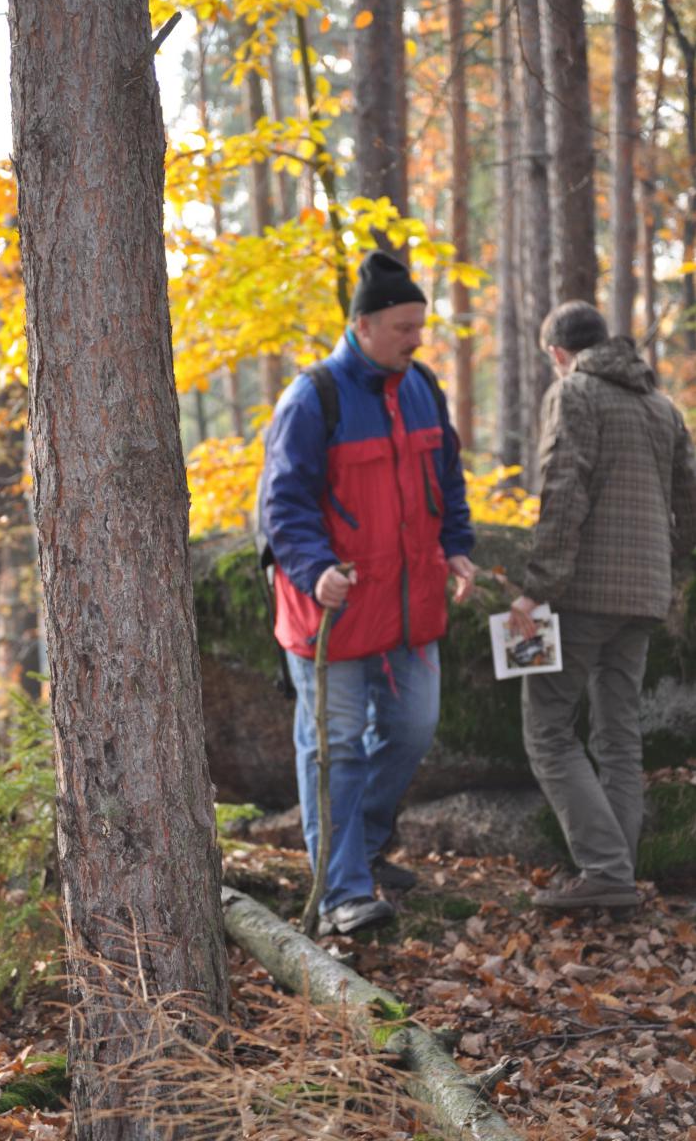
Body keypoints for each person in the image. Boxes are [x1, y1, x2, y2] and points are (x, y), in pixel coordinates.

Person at [260, 250, 476, 935]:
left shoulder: (424, 389)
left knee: (413, 729)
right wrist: (313, 567)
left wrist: (459, 548)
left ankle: (365, 842)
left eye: (420, 325)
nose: (417, 338)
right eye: (404, 326)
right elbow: (281, 505)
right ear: (364, 324)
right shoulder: (312, 398)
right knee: (337, 750)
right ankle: (344, 893)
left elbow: (449, 480)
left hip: (411, 608)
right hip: (334, 609)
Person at [509, 301, 696, 911]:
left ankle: (606, 871)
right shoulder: (663, 407)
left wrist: (536, 588)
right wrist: (664, 568)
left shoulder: (576, 394)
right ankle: (620, 875)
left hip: (580, 593)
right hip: (646, 594)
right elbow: (689, 508)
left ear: (559, 354)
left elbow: (562, 490)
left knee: (547, 731)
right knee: (619, 736)